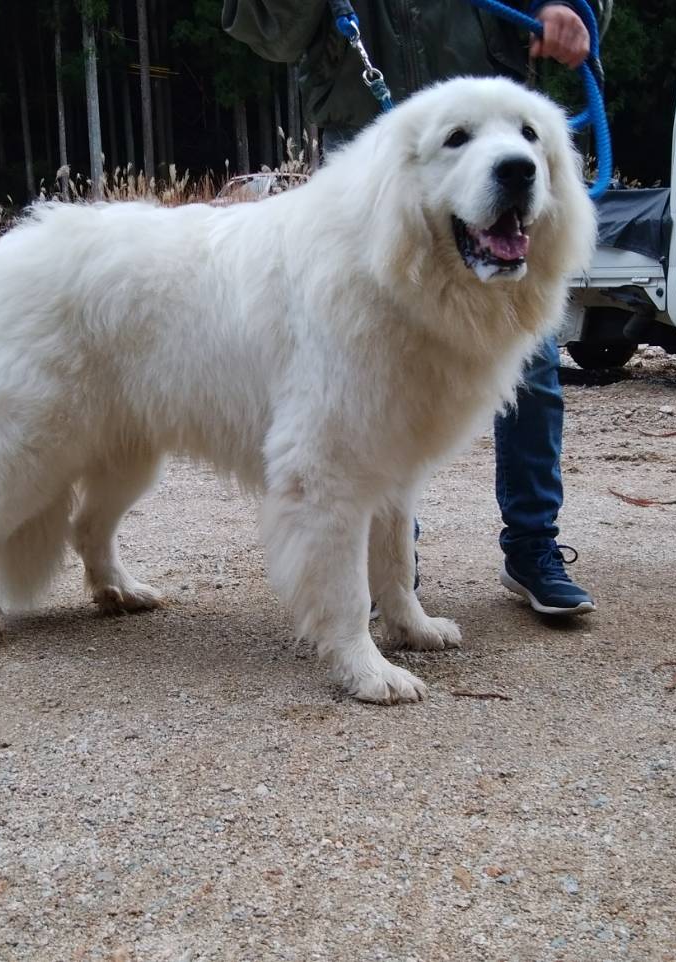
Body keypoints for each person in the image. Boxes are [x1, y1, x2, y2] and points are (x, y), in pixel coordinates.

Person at [223, 0, 601, 616]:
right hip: (369, 156)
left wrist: (564, 9)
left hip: (494, 110)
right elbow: (267, 29)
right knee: (362, 409)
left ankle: (531, 549)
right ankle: (381, 587)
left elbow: (582, 12)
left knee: (530, 369)